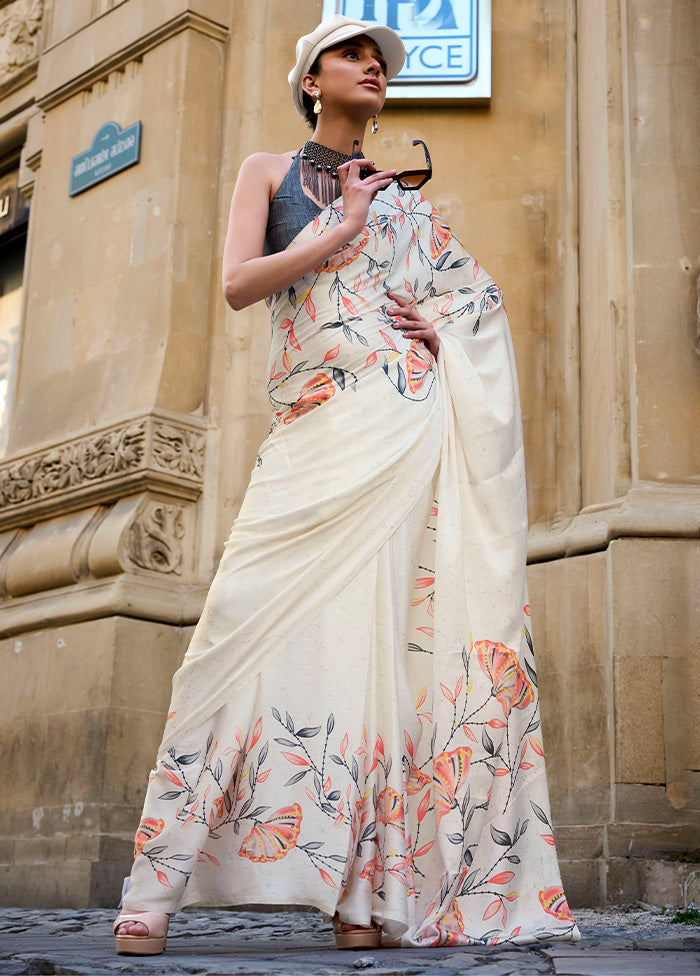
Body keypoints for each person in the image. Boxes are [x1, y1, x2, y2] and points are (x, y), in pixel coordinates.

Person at [113, 14, 580, 955]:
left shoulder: (407, 205)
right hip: (312, 431)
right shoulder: (269, 173)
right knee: (232, 634)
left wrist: (444, 337)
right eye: (354, 55)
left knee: (382, 649)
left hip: (401, 425)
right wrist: (342, 230)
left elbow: (471, 301)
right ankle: (152, 887)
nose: (373, 67)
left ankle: (362, 897)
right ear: (312, 78)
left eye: (381, 60)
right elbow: (240, 285)